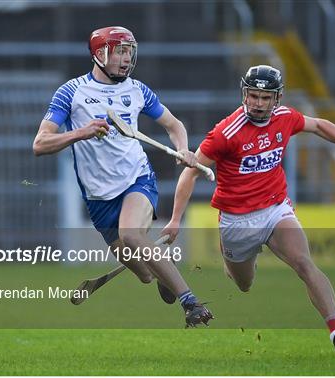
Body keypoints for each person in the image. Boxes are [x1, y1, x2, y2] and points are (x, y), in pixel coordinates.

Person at [162, 65, 335, 356]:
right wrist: (176, 219)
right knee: (243, 283)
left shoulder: (285, 117)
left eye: (266, 97)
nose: (259, 104)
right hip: (237, 220)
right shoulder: (226, 133)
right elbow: (190, 173)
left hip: (275, 209)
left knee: (304, 264)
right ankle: (223, 263)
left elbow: (318, 125)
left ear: (277, 98)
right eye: (254, 96)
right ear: (244, 94)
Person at [33, 26, 213, 327]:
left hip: (137, 180)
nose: (127, 59)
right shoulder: (71, 92)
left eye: (130, 52)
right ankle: (161, 273)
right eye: (120, 52)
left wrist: (183, 148)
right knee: (144, 273)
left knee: (131, 234)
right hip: (99, 199)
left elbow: (173, 124)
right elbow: (40, 144)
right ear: (100, 54)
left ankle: (190, 303)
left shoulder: (137, 90)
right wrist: (82, 131)